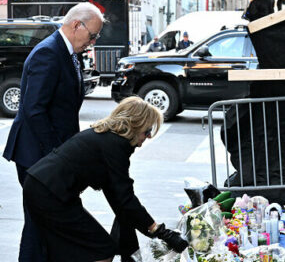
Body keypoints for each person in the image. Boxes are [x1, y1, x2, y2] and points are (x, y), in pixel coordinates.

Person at [22, 96, 189, 262]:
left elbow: (116, 195)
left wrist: (153, 230)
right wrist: (159, 231)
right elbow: (125, 197)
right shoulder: (116, 145)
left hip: (44, 188)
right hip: (49, 193)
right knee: (102, 250)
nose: (148, 137)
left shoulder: (107, 138)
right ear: (136, 124)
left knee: (73, 251)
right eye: (148, 131)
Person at [2, 2, 105, 261]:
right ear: (75, 25)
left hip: (50, 155)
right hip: (37, 156)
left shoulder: (68, 53)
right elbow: (34, 110)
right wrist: (56, 156)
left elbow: (65, 109)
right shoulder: (47, 53)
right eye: (92, 35)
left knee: (49, 225)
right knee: (40, 224)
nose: (92, 42)